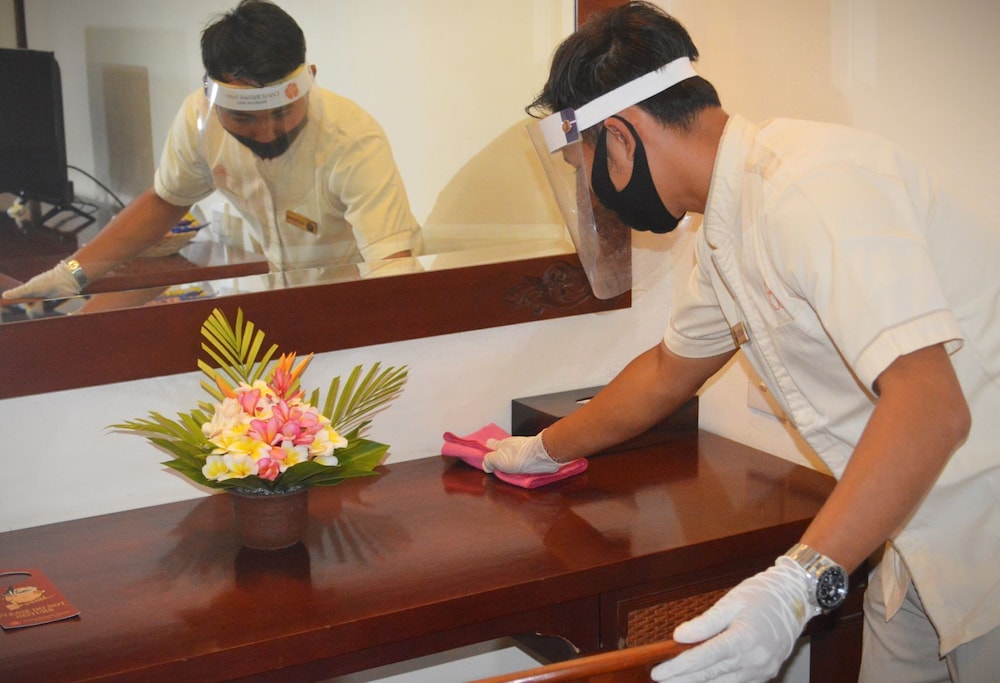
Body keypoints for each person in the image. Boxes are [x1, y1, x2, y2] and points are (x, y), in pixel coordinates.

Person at [484, 2, 1000, 682]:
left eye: (588, 168)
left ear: (621, 137)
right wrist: (544, 449)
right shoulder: (729, 227)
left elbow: (932, 407)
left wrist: (795, 586)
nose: (597, 193)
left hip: (984, 528)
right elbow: (667, 371)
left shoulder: (810, 186)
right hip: (909, 533)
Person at [3, 0, 419, 300]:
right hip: (278, 295)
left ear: (309, 78)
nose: (266, 133)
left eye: (282, 113)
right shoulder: (198, 120)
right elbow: (166, 202)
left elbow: (392, 267)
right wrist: (71, 275)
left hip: (357, 299)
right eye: (244, 118)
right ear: (212, 100)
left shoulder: (353, 141)